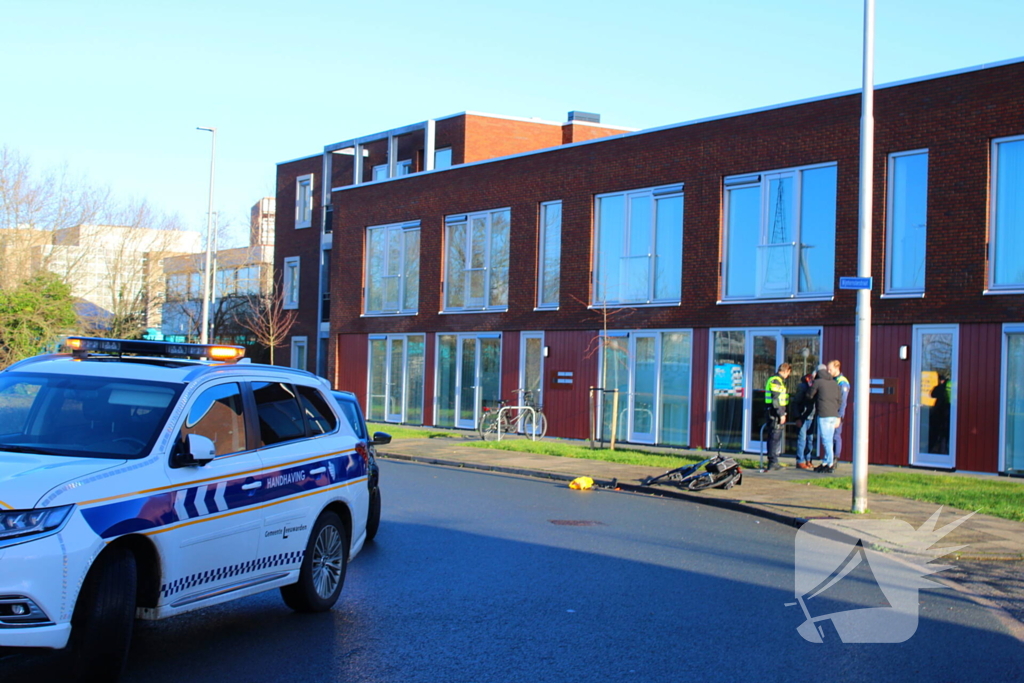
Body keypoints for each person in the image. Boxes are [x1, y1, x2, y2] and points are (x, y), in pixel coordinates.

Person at [807, 363, 841, 473]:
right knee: (829, 439)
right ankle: (826, 462)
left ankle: (830, 463)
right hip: (833, 415)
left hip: (824, 414)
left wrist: (811, 385)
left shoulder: (818, 382)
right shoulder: (834, 383)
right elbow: (839, 400)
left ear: (816, 373)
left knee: (826, 440)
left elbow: (809, 396)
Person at [763, 363, 792, 471]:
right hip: (774, 413)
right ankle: (772, 462)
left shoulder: (776, 380)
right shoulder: (776, 380)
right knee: (774, 437)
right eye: (789, 373)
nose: (788, 376)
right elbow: (776, 399)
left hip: (773, 411)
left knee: (774, 437)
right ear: (786, 371)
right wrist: (781, 414)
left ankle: (774, 461)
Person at [828, 360, 850, 463]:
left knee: (836, 436)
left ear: (837, 368)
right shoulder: (833, 380)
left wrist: (839, 416)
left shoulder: (842, 382)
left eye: (830, 369)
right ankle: (830, 458)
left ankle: (835, 458)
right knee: (830, 436)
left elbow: (843, 401)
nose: (828, 371)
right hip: (830, 412)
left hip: (836, 414)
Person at [793, 372, 817, 469]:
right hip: (803, 417)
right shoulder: (803, 387)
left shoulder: (815, 386)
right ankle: (800, 461)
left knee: (810, 440)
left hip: (812, 416)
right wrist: (797, 417)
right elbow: (795, 403)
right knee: (802, 439)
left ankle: (808, 460)